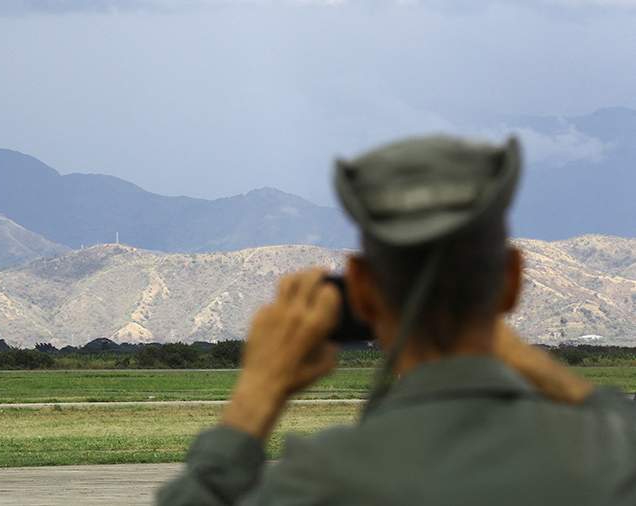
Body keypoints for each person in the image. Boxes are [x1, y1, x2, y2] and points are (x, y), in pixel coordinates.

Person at [157, 136, 636, 505]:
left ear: (362, 290)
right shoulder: (611, 456)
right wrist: (525, 358)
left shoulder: (315, 481)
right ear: (512, 280)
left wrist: (257, 393)